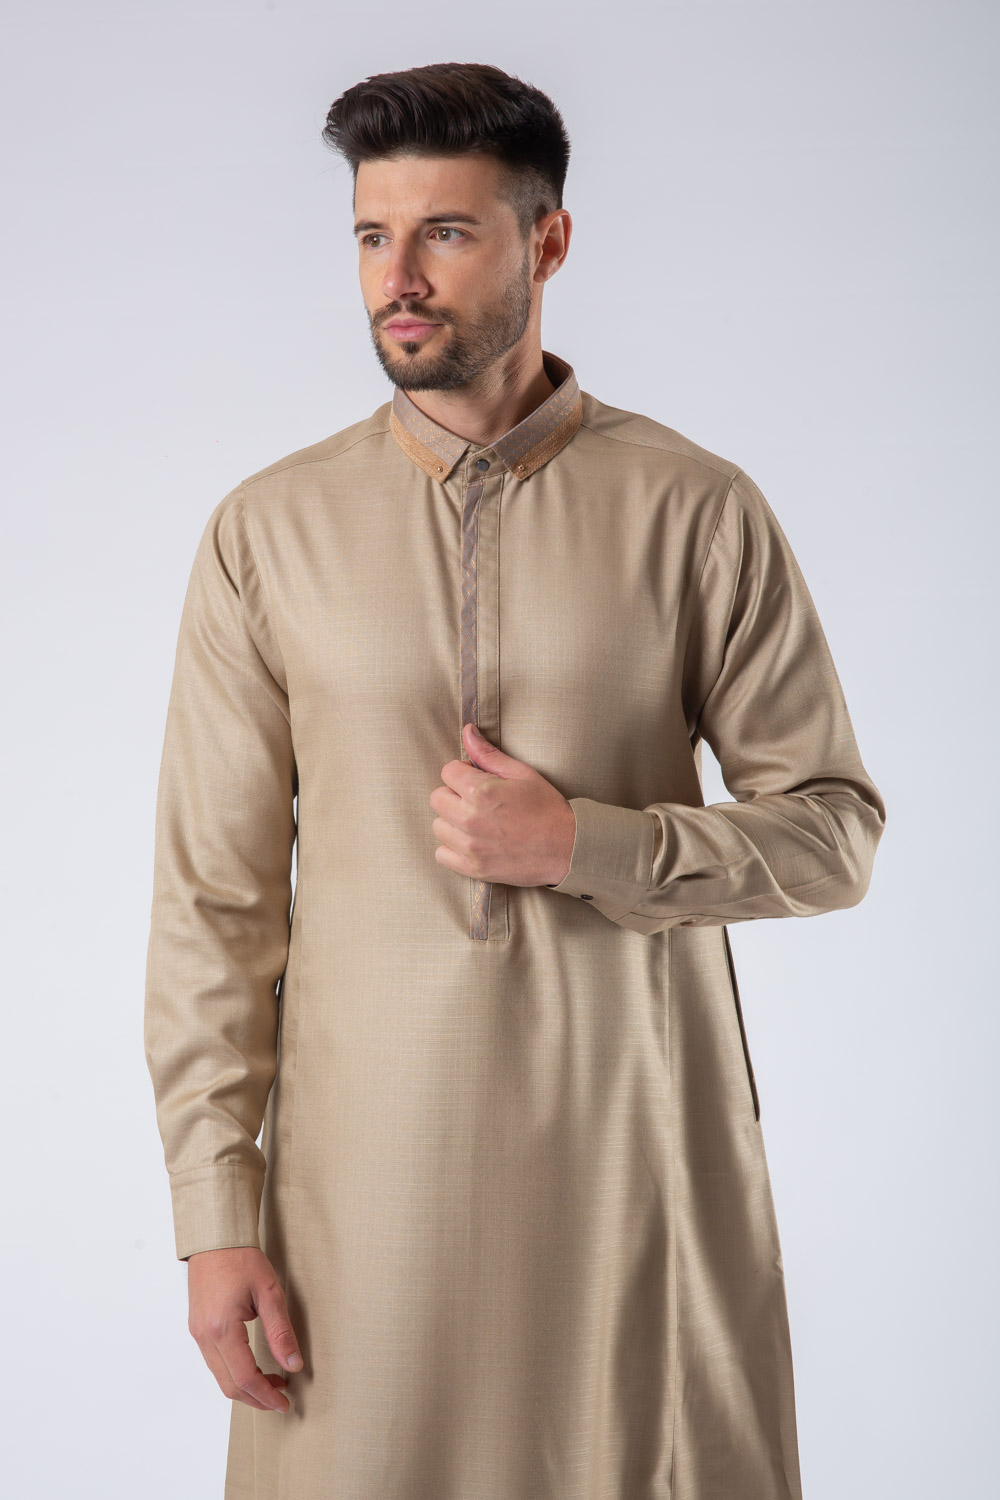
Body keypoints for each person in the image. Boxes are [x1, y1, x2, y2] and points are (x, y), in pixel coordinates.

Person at [144, 60, 886, 1500]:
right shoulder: (268, 533)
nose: (398, 280)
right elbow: (211, 908)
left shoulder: (693, 510)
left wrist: (585, 845)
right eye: (372, 237)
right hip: (360, 1207)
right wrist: (211, 1212)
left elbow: (834, 834)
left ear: (548, 242)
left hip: (636, 1179)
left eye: (445, 232)